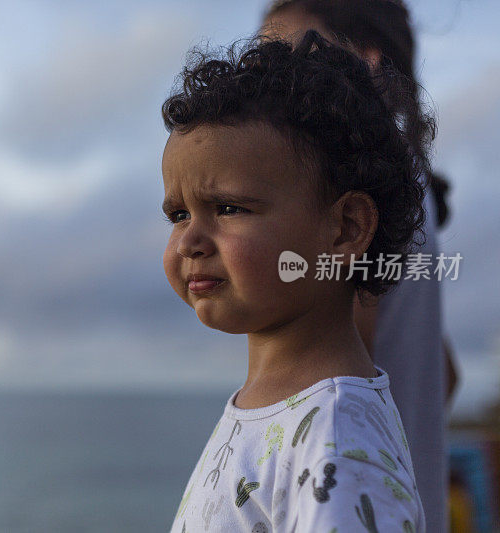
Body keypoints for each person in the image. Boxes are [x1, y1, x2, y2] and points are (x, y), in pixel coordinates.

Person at [162, 31, 430, 531]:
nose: (189, 241)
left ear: (346, 227)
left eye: (228, 208)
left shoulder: (338, 435)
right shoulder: (276, 409)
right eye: (178, 213)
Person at [261, 2, 454, 529]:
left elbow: (334, 365)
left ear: (367, 65)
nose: (262, 79)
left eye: (284, 57)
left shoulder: (349, 182)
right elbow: (447, 374)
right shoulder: (405, 182)